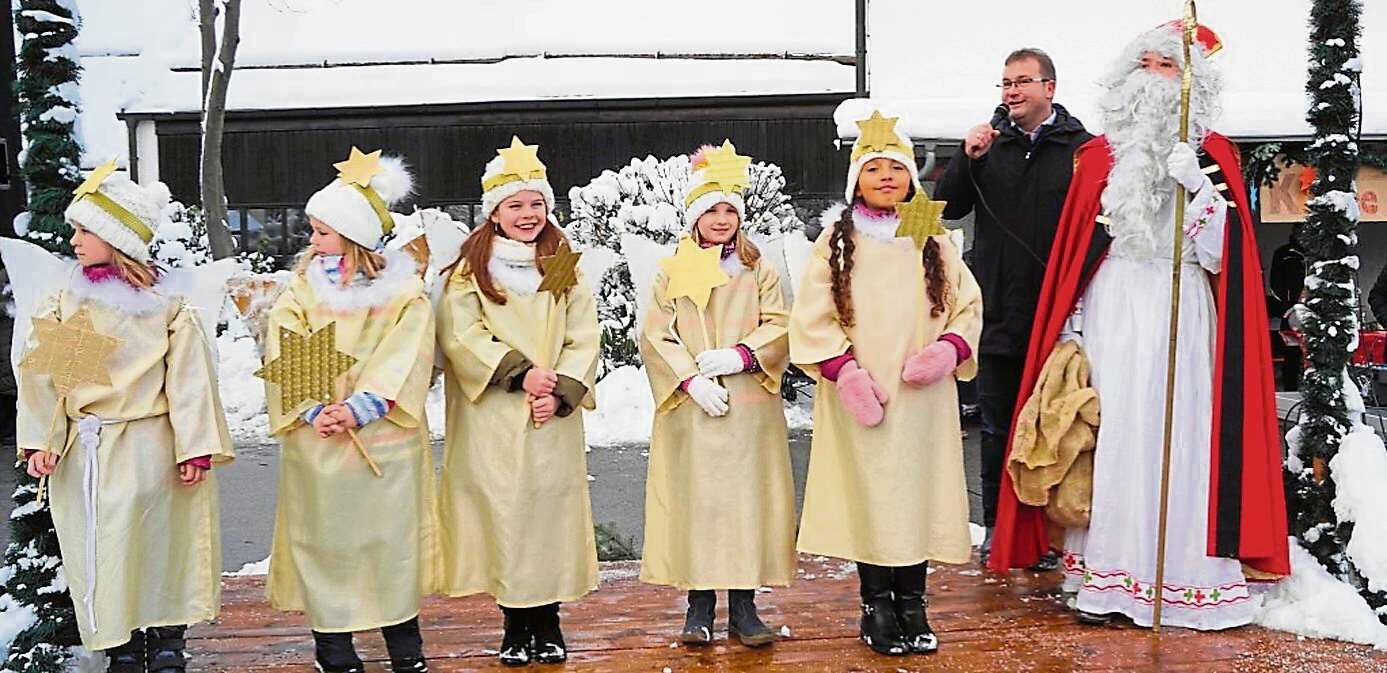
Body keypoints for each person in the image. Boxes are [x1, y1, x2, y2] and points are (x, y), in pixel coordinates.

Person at [988, 21, 1290, 631]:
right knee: (1116, 436)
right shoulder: (1097, 155)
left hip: (1181, 310)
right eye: (1143, 63)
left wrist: (1199, 187)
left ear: (1191, 84)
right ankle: (1109, 577)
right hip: (1109, 310)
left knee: (1179, 434)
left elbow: (1227, 259)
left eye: (1167, 66)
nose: (1150, 75)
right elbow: (1077, 253)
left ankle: (1183, 577)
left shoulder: (1216, 153)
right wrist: (1070, 326)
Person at [18, 167, 234, 672]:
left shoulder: (166, 305)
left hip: (153, 445)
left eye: (84, 231)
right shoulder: (71, 303)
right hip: (92, 449)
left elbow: (190, 380)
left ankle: (166, 640)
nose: (73, 241)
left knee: (162, 543)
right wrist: (43, 439)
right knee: (106, 547)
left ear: (116, 239)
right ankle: (120, 644)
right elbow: (50, 379)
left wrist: (193, 445)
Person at [789, 111, 982, 656]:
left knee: (915, 493)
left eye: (895, 168)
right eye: (873, 169)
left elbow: (967, 303)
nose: (886, 178)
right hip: (865, 394)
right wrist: (843, 370)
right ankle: (876, 604)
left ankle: (913, 601)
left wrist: (949, 349)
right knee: (873, 495)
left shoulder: (931, 234)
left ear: (912, 178)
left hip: (922, 396)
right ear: (856, 181)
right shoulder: (837, 240)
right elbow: (811, 313)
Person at [263, 149, 437, 673]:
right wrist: (318, 407)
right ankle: (333, 645)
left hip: (383, 437)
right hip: (321, 438)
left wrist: (362, 406)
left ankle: (403, 639)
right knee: (326, 539)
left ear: (354, 236)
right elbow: (285, 340)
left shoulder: (404, 294)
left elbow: (406, 349)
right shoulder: (303, 291)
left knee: (390, 542)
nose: (311, 241)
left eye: (321, 232)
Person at [437, 137, 600, 667]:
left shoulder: (559, 263)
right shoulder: (472, 269)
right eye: (515, 205)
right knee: (503, 512)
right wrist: (521, 375)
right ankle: (514, 622)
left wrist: (560, 391)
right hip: (495, 412)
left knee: (545, 514)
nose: (527, 215)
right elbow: (461, 333)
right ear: (495, 213)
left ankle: (547, 620)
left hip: (550, 412)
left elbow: (582, 332)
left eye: (536, 203)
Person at [933, 48, 1093, 565]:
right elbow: (950, 208)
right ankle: (1001, 530)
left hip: (1061, 315)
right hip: (998, 310)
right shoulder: (989, 147)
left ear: (1050, 87)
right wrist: (966, 156)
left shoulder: (1082, 150)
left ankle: (1051, 534)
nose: (1011, 91)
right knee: (999, 425)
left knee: (1057, 426)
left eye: (1023, 81)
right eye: (1005, 83)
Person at [638, 141, 795, 648]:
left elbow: (780, 324)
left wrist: (743, 355)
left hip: (748, 409)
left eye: (730, 209)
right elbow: (657, 334)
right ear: (695, 217)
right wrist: (689, 377)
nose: (722, 219)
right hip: (694, 412)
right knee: (698, 503)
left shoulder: (760, 270)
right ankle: (699, 604)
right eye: (712, 210)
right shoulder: (672, 272)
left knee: (746, 503)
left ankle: (745, 607)